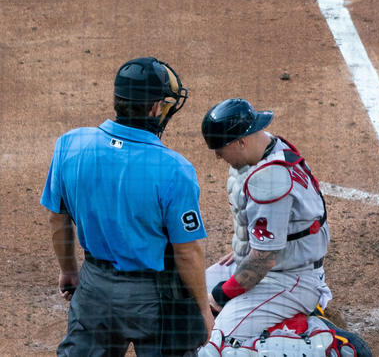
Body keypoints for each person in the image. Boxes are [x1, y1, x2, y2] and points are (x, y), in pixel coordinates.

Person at [41, 57, 215, 356]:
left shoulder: (70, 144)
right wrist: (203, 311)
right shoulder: (174, 168)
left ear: (117, 100)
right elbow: (187, 253)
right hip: (155, 297)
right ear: (155, 108)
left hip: (94, 286)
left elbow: (58, 219)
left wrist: (70, 270)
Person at [198, 98, 334, 355]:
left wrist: (218, 298)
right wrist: (250, 248)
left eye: (220, 148)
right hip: (273, 266)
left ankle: (322, 342)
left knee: (215, 344)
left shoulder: (269, 180)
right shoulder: (265, 146)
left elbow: (263, 261)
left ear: (242, 141)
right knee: (186, 301)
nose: (217, 156)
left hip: (289, 280)